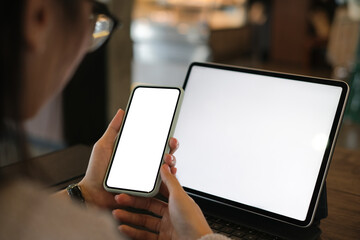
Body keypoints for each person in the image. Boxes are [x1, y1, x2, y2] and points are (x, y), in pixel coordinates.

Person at [0, 1, 230, 239]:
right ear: (38, 17)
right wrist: (201, 236)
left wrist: (87, 193)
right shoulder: (88, 232)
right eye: (91, 21)